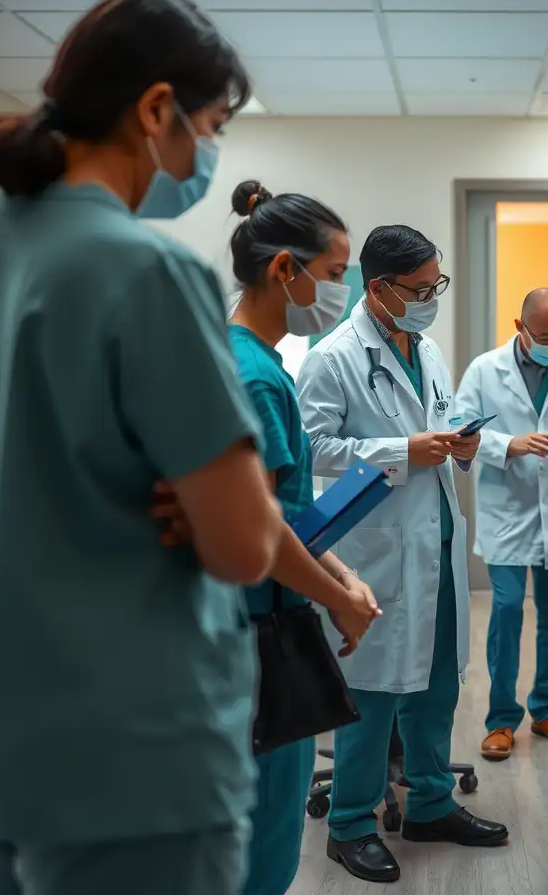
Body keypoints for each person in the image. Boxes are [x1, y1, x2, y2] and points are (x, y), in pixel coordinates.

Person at [0, 0, 376, 895]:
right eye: (210, 125)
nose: (205, 156)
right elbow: (241, 541)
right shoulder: (145, 270)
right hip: (130, 739)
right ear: (154, 110)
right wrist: (223, 501)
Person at [297, 225, 509, 884]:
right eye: (420, 289)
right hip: (377, 549)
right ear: (379, 287)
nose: (430, 299)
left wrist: (459, 446)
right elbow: (311, 449)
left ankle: (430, 805)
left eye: (435, 286)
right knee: (373, 692)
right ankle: (352, 825)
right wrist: (401, 453)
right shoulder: (332, 357)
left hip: (435, 543)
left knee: (437, 683)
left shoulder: (429, 349)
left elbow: (436, 424)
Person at [222, 180, 382, 894]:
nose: (342, 290)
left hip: (242, 629)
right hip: (258, 637)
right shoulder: (259, 379)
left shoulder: (239, 358)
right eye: (336, 272)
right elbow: (264, 530)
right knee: (263, 846)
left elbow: (282, 514)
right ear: (286, 269)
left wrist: (342, 576)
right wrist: (339, 598)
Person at [454, 288, 548, 762]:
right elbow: (461, 428)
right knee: (505, 611)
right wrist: (508, 445)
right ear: (520, 328)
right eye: (544, 336)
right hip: (508, 511)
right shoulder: (484, 369)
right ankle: (501, 718)